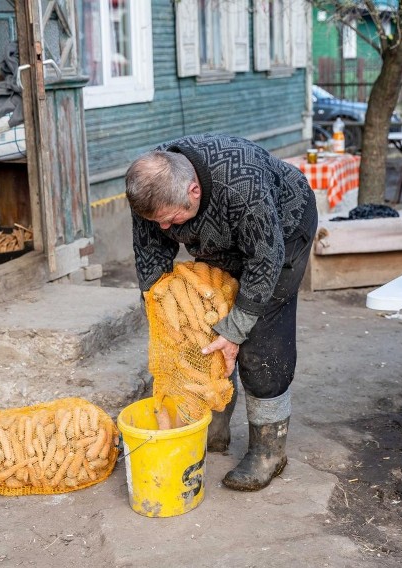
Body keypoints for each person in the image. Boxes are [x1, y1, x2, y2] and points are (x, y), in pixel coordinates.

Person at [124, 133, 318, 491]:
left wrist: (236, 330)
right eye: (159, 221)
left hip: (281, 236)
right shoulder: (152, 188)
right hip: (221, 240)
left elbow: (265, 260)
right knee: (201, 325)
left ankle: (268, 450)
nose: (166, 228)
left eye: (170, 219)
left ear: (194, 191)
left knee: (260, 339)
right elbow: (151, 254)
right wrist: (161, 305)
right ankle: (211, 425)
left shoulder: (243, 185)